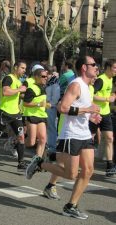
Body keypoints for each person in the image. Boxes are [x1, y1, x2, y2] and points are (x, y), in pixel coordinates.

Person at [25, 56, 100, 220]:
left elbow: (81, 110)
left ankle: (71, 206)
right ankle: (40, 163)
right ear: (84, 68)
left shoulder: (87, 87)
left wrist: (91, 117)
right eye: (93, 64)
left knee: (88, 170)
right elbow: (63, 107)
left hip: (85, 134)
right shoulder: (76, 85)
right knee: (71, 174)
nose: (96, 67)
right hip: (71, 135)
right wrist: (87, 110)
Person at [0, 60, 27, 169]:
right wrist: (19, 90)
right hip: (5, 112)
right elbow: (6, 92)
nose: (24, 70)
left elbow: (17, 95)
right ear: (15, 68)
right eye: (22, 68)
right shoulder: (9, 78)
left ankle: (21, 162)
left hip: (16, 113)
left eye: (25, 69)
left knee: (21, 136)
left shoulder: (18, 80)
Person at [91, 59, 116, 176]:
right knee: (90, 138)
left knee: (110, 138)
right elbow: (92, 95)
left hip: (105, 113)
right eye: (114, 68)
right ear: (108, 68)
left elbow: (111, 92)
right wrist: (106, 99)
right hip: (95, 112)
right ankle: (85, 162)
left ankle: (110, 165)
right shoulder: (101, 79)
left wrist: (113, 95)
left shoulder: (111, 79)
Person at [24, 69, 50, 158]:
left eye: (46, 76)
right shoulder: (31, 89)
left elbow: (41, 101)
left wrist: (46, 104)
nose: (45, 78)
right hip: (31, 115)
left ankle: (37, 160)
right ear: (36, 77)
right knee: (31, 142)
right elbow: (26, 103)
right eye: (43, 76)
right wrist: (39, 104)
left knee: (43, 139)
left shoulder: (44, 88)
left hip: (41, 116)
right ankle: (17, 142)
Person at [45, 66, 60, 156]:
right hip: (45, 107)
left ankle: (52, 147)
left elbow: (55, 99)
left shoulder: (54, 83)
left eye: (47, 75)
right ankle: (47, 145)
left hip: (51, 108)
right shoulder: (48, 83)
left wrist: (48, 103)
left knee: (51, 128)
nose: (45, 77)